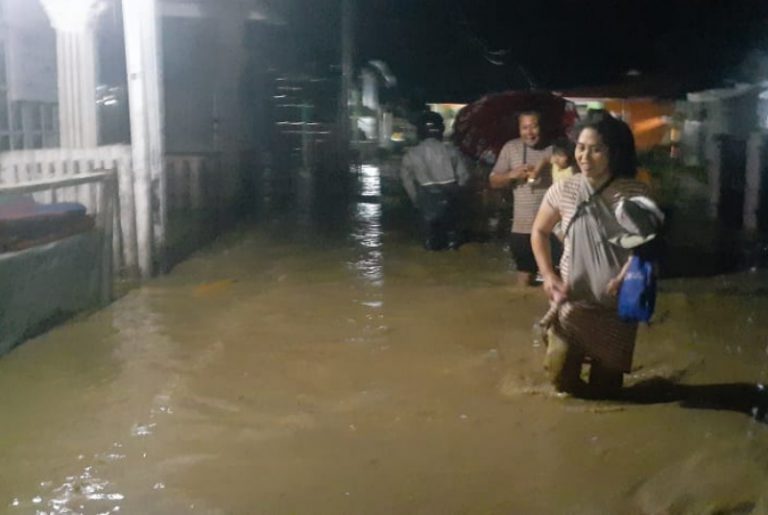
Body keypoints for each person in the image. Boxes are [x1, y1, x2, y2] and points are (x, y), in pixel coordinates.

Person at [531, 110, 660, 396]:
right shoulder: (563, 190)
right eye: (580, 147)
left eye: (596, 150)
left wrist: (625, 276)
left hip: (616, 309)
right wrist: (548, 275)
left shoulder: (635, 193)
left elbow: (646, 245)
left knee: (606, 390)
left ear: (614, 153)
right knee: (561, 380)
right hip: (572, 302)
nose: (585, 157)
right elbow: (538, 232)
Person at [490, 111, 553, 286]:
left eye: (534, 126)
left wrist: (545, 162)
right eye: (525, 127)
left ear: (542, 127)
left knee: (555, 277)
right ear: (518, 129)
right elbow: (493, 181)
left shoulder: (554, 149)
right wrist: (512, 174)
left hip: (552, 227)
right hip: (522, 227)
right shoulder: (511, 148)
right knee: (524, 280)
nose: (530, 132)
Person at [401, 111, 470, 250]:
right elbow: (464, 176)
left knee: (430, 242)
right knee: (452, 241)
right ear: (441, 130)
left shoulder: (411, 154)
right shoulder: (452, 151)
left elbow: (407, 181)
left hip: (426, 198)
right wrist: (458, 194)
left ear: (419, 131)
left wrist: (417, 200)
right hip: (451, 197)